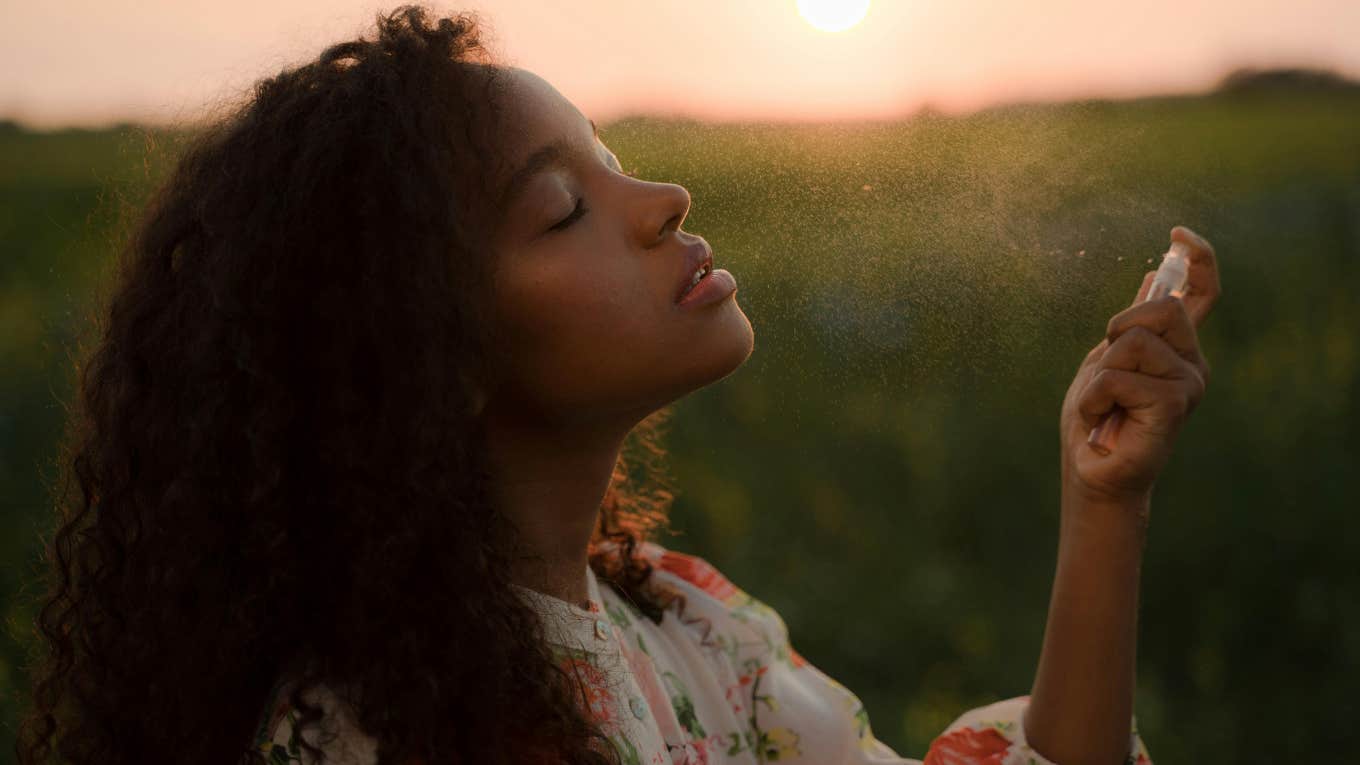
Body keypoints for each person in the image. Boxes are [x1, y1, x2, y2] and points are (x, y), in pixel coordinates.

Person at [16, 5, 1219, 765]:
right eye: (563, 209)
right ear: (427, 359)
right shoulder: (365, 731)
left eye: (616, 159)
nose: (664, 202)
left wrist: (1102, 503)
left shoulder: (688, 630)